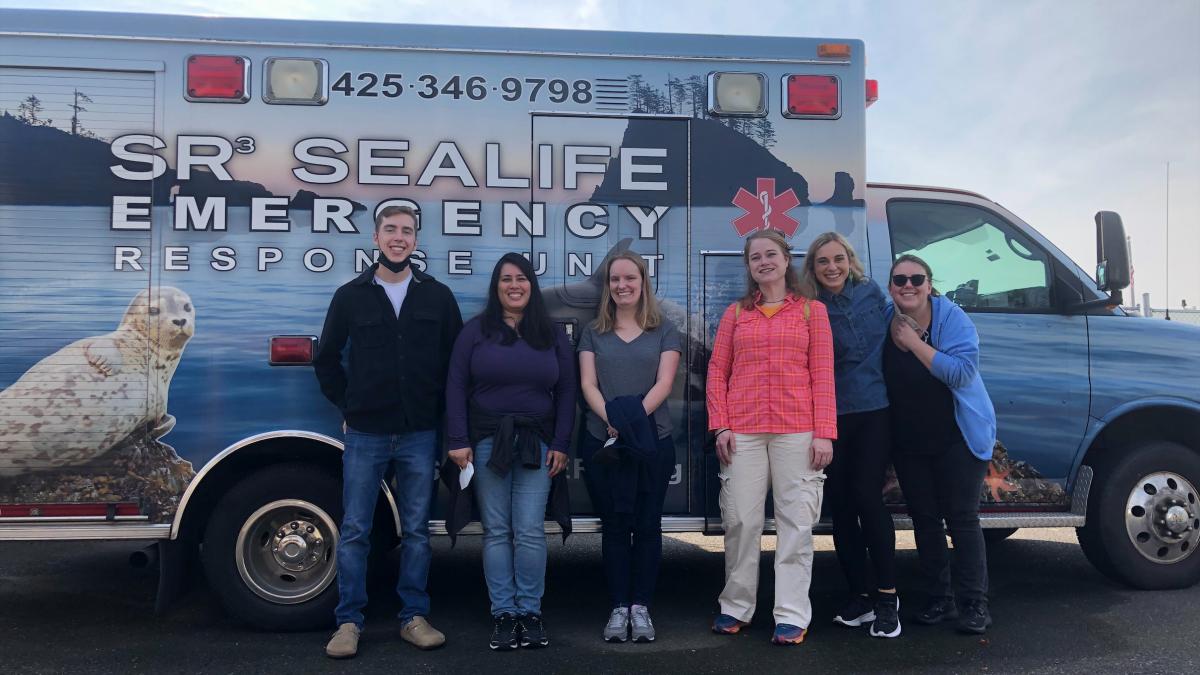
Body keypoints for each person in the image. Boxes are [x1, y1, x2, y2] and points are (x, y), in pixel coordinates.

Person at [314, 205, 463, 659]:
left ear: (416, 241)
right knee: (357, 529)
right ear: (376, 237)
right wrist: (348, 405)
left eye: (407, 231)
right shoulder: (351, 295)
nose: (399, 237)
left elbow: (455, 367)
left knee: (417, 530)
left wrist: (444, 419)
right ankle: (348, 622)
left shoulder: (437, 296)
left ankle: (413, 617)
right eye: (391, 230)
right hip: (366, 431)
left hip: (419, 433)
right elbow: (327, 359)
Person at [706, 229, 837, 646]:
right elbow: (716, 372)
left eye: (770, 254)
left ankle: (792, 614)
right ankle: (736, 607)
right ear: (748, 266)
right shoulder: (735, 314)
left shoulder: (811, 312)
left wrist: (825, 434)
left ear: (786, 260)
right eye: (755, 257)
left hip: (797, 430)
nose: (763, 262)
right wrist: (721, 425)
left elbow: (823, 375)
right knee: (741, 521)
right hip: (742, 431)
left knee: (795, 525)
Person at [444, 252, 576, 651]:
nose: (514, 285)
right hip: (487, 443)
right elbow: (454, 385)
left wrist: (561, 443)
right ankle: (503, 613)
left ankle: (530, 612)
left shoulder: (550, 333)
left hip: (538, 443)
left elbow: (568, 390)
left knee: (531, 531)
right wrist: (457, 439)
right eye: (506, 279)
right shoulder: (475, 332)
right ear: (496, 287)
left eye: (521, 278)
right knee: (497, 531)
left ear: (531, 285)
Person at [883, 254, 997, 635]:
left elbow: (963, 373)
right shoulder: (886, 322)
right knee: (925, 522)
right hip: (910, 442)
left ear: (930, 284)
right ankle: (939, 600)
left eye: (917, 278)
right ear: (891, 288)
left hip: (957, 438)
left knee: (963, 520)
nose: (908, 285)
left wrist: (915, 342)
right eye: (900, 280)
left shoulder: (951, 319)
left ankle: (974, 604)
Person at [577, 251, 681, 643]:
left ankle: (642, 607)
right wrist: (613, 423)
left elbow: (664, 384)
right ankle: (619, 607)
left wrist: (628, 422)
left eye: (630, 279)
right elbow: (588, 384)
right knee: (615, 527)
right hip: (602, 443)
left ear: (643, 283)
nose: (622, 286)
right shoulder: (592, 332)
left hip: (651, 443)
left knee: (648, 526)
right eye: (615, 279)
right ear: (607, 286)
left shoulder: (664, 330)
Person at [801, 232, 899, 638]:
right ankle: (859, 596)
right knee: (839, 508)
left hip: (875, 410)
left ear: (850, 260)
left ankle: (888, 598)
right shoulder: (810, 307)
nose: (831, 268)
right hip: (831, 416)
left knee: (866, 498)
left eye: (838, 259)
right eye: (822, 261)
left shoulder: (872, 292)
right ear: (813, 268)